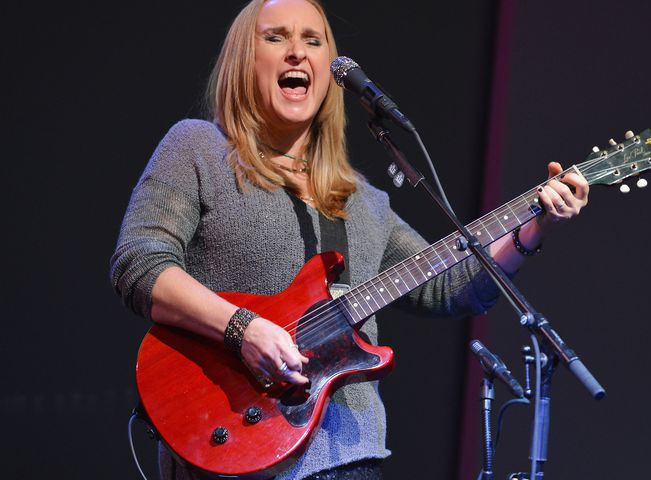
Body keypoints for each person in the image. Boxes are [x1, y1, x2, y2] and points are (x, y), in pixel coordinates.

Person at [110, 0, 589, 478]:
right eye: (276, 37)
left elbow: (454, 286)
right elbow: (140, 263)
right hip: (234, 445)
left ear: (328, 73)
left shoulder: (363, 200)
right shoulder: (198, 149)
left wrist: (535, 224)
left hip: (348, 457)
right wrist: (244, 329)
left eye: (313, 41)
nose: (297, 52)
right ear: (244, 60)